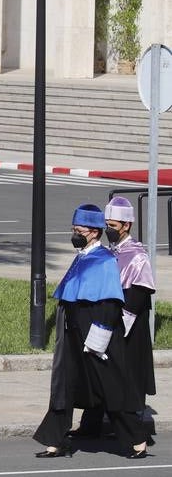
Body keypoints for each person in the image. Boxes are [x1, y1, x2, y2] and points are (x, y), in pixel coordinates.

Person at [33, 204, 149, 460]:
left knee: (111, 386)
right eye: (73, 229)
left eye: (79, 230)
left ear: (94, 232)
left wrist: (100, 336)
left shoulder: (105, 259)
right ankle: (56, 441)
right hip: (73, 332)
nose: (75, 234)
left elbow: (109, 303)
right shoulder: (83, 255)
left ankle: (136, 440)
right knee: (63, 385)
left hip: (97, 333)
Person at [105, 195, 156, 437]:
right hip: (111, 321)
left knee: (132, 373)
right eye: (107, 225)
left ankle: (134, 426)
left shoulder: (137, 256)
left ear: (127, 226)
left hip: (130, 325)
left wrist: (121, 322)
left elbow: (139, 293)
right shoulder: (109, 252)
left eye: (113, 226)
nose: (108, 230)